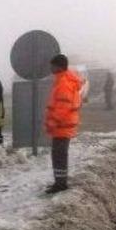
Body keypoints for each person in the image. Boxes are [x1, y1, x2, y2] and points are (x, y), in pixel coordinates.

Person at [45, 54, 83, 194]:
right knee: (59, 155)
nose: (50, 68)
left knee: (59, 155)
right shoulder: (63, 80)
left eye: (52, 65)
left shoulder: (64, 83)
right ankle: (60, 182)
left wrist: (52, 122)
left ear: (58, 67)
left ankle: (60, 184)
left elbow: (63, 107)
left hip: (62, 126)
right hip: (63, 126)